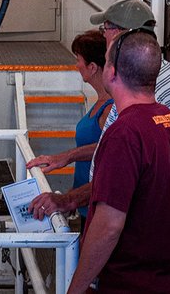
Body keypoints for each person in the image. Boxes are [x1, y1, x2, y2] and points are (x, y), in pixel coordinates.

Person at [29, 0, 170, 245]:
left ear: (118, 35)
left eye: (105, 29)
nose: (103, 37)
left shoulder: (133, 99)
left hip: (140, 240)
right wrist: (69, 156)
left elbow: (118, 178)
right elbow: (128, 154)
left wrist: (67, 201)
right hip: (169, 227)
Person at [67, 29, 170, 294]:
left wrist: (77, 288)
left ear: (111, 72)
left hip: (130, 285)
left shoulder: (124, 134)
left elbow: (109, 226)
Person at [26, 30, 112, 229]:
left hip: (98, 207)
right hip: (85, 201)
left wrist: (68, 158)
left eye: (78, 59)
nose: (76, 65)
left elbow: (109, 151)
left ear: (92, 67)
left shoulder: (109, 109)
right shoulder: (101, 102)